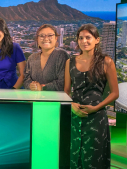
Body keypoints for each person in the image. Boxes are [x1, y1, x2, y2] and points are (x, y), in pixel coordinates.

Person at [64, 24, 119, 168]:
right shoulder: (70, 62)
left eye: (88, 37)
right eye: (80, 38)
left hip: (97, 118)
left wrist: (96, 108)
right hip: (75, 117)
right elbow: (66, 92)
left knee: (94, 159)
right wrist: (71, 106)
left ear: (97, 40)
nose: (84, 41)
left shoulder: (106, 62)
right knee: (73, 156)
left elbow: (115, 93)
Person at [23, 24, 69, 91]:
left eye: (50, 35)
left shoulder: (61, 55)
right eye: (41, 36)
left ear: (56, 38)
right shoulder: (32, 58)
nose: (46, 38)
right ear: (37, 39)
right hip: (34, 99)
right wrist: (31, 85)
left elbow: (63, 83)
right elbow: (26, 79)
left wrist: (42, 88)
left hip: (56, 100)